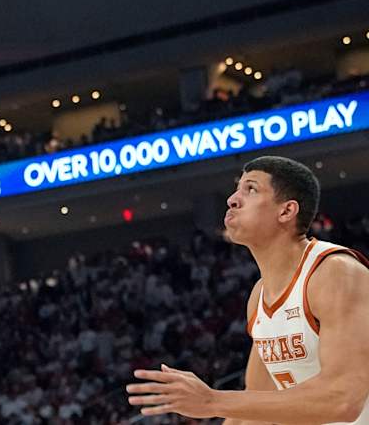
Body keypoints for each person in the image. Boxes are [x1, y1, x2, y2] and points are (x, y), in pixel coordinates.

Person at [126, 156, 369, 423]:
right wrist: (216, 406)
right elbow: (253, 411)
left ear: (286, 211)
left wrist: (212, 401)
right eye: (237, 188)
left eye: (251, 189)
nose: (232, 199)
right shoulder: (259, 296)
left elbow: (343, 399)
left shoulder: (336, 274)